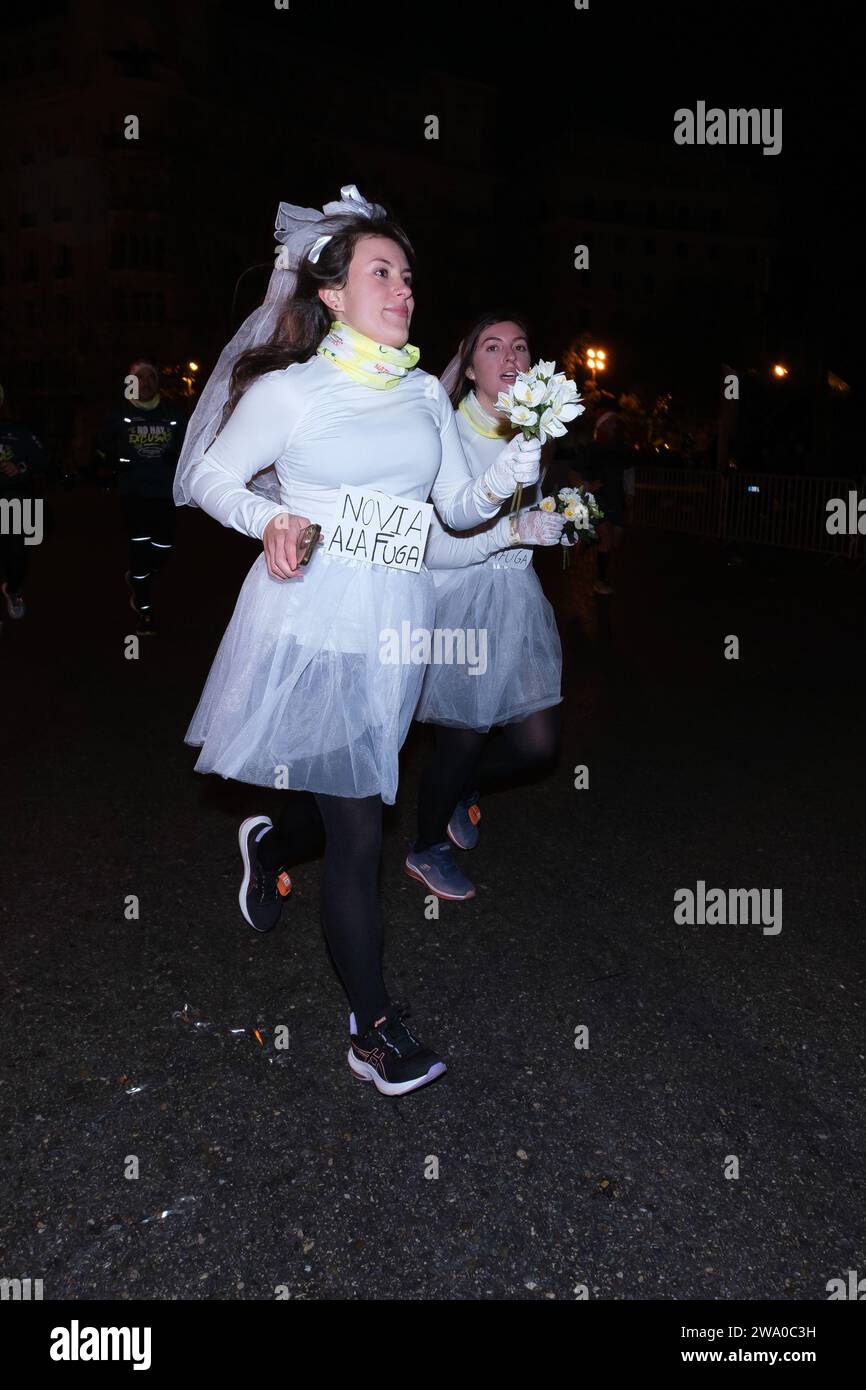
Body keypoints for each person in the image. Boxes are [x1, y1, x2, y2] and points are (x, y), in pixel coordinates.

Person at [173, 186, 541, 1096]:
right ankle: (371, 1027)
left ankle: (269, 843)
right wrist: (270, 520)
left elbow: (451, 510)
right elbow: (209, 477)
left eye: (408, 276)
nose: (403, 289)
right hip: (310, 620)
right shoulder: (294, 392)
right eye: (382, 272)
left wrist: (512, 469)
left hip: (397, 625)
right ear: (333, 293)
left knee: (358, 800)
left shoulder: (424, 392)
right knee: (359, 830)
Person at [407, 314, 567, 900]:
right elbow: (435, 548)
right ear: (469, 365)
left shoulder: (537, 430)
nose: (510, 357)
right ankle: (426, 847)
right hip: (457, 604)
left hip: (516, 602)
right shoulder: (444, 432)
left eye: (521, 346)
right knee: (463, 737)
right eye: (492, 347)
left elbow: (525, 519)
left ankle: (462, 792)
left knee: (538, 746)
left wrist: (558, 523)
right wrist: (513, 533)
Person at [95, 359, 187, 635]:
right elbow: (100, 447)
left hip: (164, 493)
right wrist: (114, 460)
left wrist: (179, 456)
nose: (144, 383)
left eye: (149, 378)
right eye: (138, 379)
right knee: (139, 547)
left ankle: (140, 579)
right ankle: (144, 611)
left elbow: (190, 444)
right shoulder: (118, 415)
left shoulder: (173, 413)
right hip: (133, 493)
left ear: (157, 382)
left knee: (162, 549)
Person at [0, 382, 52, 630]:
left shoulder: (18, 432)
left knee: (17, 556)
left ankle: (13, 589)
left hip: (14, 499)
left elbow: (43, 461)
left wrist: (20, 467)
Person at [578, 406, 628, 595]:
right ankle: (601, 580)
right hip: (598, 501)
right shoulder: (591, 449)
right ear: (604, 425)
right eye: (612, 421)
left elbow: (628, 470)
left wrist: (629, 491)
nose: (616, 424)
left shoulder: (620, 448)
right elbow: (573, 474)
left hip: (616, 499)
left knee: (614, 541)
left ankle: (592, 539)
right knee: (607, 538)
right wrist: (588, 486)